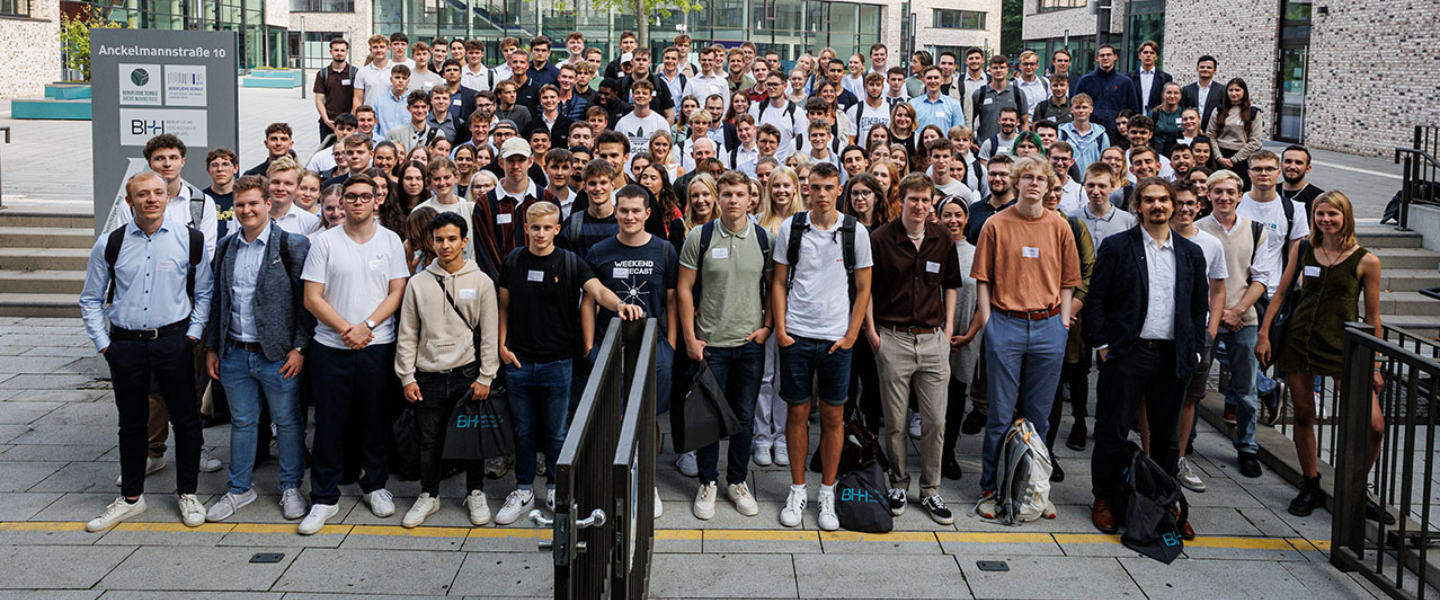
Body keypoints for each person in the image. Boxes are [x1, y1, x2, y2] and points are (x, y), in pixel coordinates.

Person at [80, 171, 213, 532]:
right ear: (130, 201)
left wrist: (193, 335)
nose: (151, 199)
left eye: (158, 192)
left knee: (186, 421)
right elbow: (91, 298)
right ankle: (131, 498)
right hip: (125, 345)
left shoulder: (191, 240)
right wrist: (104, 344)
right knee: (132, 423)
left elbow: (204, 293)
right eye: (143, 194)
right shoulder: (110, 243)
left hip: (175, 341)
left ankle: (187, 493)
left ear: (168, 197)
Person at [494, 201, 642, 524]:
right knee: (523, 430)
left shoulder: (571, 262)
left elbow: (597, 290)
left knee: (556, 431)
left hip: (558, 362)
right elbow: (503, 306)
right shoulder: (513, 261)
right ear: (527, 229)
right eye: (536, 228)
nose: (542, 233)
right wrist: (502, 346)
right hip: (518, 361)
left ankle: (555, 486)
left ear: (557, 230)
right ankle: (522, 489)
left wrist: (620, 305)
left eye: (548, 228)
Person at [1084, 177, 1208, 540]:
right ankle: (1104, 497)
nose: (1157, 206)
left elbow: (1199, 306)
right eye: (1149, 200)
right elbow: (1096, 299)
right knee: (1113, 429)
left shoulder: (1190, 253)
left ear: (1173, 206)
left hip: (1172, 356)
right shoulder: (1117, 246)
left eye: (1164, 200)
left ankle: (1166, 500)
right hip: (1127, 353)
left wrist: (1195, 347)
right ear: (1138, 206)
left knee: (1167, 437)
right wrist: (1104, 345)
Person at [1257, 191, 1386, 520]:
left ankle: (1354, 486)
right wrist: (1263, 333)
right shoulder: (1303, 249)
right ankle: (1310, 481)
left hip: (1345, 346)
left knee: (1374, 426)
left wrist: (1376, 363)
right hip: (1301, 341)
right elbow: (1282, 291)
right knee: (1303, 414)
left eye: (1333, 214)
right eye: (1320, 214)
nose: (1326, 220)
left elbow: (1373, 318)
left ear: (1346, 217)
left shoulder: (1366, 260)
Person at [296, 174, 410, 535]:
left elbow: (396, 292)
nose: (358, 202)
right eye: (351, 197)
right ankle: (324, 497)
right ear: (341, 202)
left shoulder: (390, 240)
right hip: (332, 348)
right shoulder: (324, 242)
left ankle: (375, 485)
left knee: (374, 419)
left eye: (365, 196)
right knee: (330, 423)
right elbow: (312, 297)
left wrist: (368, 327)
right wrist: (348, 329)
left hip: (376, 346)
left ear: (377, 201)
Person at [971, 156, 1080, 519]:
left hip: (1049, 325)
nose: (1034, 183)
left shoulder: (1059, 227)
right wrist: (989, 325)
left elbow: (1069, 280)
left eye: (1040, 178)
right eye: (1027, 177)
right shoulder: (995, 225)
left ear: (1049, 186)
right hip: (1006, 324)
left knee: (1041, 417)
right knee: (1000, 415)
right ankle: (991, 487)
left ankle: (1036, 489)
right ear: (1016, 182)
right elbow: (982, 279)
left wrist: (1063, 323)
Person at [201, 174, 312, 523]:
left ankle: (291, 486)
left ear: (268, 204)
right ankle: (239, 489)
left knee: (288, 422)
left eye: (253, 203)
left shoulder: (292, 246)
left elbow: (305, 302)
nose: (246, 210)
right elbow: (219, 300)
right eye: (240, 205)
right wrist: (213, 347)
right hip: (235, 351)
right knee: (243, 422)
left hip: (277, 354)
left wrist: (299, 348)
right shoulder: (225, 248)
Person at [772, 162, 873, 531]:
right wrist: (781, 329)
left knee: (834, 418)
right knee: (796, 414)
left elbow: (864, 288)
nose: (822, 194)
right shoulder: (792, 227)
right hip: (796, 334)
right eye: (815, 187)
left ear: (839, 188)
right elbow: (779, 282)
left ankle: (826, 492)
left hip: (836, 338)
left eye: (828, 187)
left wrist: (850, 336)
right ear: (807, 190)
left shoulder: (855, 231)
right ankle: (798, 489)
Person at [393, 211, 500, 527]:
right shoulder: (418, 283)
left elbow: (490, 333)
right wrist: (406, 375)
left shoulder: (480, 281)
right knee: (429, 440)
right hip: (426, 376)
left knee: (471, 438)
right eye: (439, 239)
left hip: (467, 375)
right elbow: (408, 332)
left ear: (464, 241)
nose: (445, 245)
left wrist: (486, 376)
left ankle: (475, 492)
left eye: (452, 238)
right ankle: (429, 494)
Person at [868, 174, 963, 524]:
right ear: (901, 200)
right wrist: (872, 333)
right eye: (913, 200)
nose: (920, 206)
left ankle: (930, 490)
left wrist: (949, 326)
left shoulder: (942, 238)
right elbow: (867, 289)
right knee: (894, 422)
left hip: (934, 338)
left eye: (926, 200)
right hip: (893, 337)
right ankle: (897, 483)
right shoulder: (881, 238)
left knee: (935, 421)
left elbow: (951, 284)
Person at [1166, 184, 1228, 495]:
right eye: (1178, 202)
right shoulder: (1158, 238)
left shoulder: (1210, 244)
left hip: (1197, 331)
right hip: (1161, 329)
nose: (1185, 208)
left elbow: (1218, 288)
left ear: (1199, 206)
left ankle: (1178, 458)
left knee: (1190, 396)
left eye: (1190, 203)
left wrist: (1211, 329)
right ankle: (1155, 455)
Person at [936, 196, 981, 480]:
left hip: (965, 334)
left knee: (955, 398)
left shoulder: (978, 252)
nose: (953, 220)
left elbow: (985, 301)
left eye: (958, 215)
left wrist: (970, 334)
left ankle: (948, 452)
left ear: (966, 219)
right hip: (932, 334)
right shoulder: (930, 247)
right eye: (946, 215)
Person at [1073, 44, 1139, 141]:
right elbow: (1076, 106)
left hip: (1118, 134)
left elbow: (1134, 109)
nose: (1105, 58)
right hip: (1091, 133)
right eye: (1102, 55)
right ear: (1096, 58)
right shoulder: (1085, 81)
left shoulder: (1125, 82)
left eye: (1109, 55)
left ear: (1115, 57)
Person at [1206, 78, 1264, 186]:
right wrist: (1219, 157)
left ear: (1244, 92)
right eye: (1230, 90)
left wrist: (1234, 160)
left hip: (1242, 158)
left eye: (1237, 90)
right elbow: (1211, 135)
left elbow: (1255, 141)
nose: (1234, 93)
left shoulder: (1253, 113)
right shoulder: (1218, 110)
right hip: (1219, 156)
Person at [971, 56, 1028, 143]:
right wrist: (971, 141)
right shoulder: (980, 93)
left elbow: (1024, 122)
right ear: (989, 71)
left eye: (1002, 67)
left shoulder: (1018, 93)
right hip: (984, 146)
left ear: (1007, 70)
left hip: (1011, 146)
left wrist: (1024, 142)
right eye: (995, 68)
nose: (998, 70)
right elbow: (969, 120)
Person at [315, 38, 357, 141]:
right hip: (328, 123)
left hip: (349, 124)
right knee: (326, 153)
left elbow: (358, 98)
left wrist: (350, 119)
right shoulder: (323, 74)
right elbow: (319, 100)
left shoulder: (355, 73)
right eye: (336, 50)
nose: (339, 53)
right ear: (330, 52)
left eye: (342, 50)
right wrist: (326, 120)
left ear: (347, 52)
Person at [1058, 94, 1110, 173]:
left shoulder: (1101, 135)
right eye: (1077, 107)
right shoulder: (1063, 133)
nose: (1081, 111)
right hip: (1069, 179)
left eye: (1085, 107)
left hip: (1094, 179)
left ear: (1091, 109)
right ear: (1071, 109)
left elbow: (1106, 161)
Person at [910, 65, 966, 133]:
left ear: (942, 81)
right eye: (929, 78)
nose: (933, 81)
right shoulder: (913, 104)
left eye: (936, 78)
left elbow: (959, 132)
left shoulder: (954, 105)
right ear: (924, 81)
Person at [1180, 55, 1224, 132]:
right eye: (1202, 67)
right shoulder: (1186, 90)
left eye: (1209, 67)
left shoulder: (1222, 90)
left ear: (1215, 70)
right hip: (1190, 131)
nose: (1205, 69)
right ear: (1197, 69)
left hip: (1213, 131)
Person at [1129, 40, 1173, 111]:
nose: (1148, 55)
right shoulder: (1130, 77)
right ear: (1140, 56)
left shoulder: (1165, 78)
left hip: (1157, 119)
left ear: (1156, 57)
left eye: (1152, 53)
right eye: (1145, 52)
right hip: (1135, 119)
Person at [1280, 145, 1324, 213]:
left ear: (1307, 169)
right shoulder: (1270, 191)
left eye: (1298, 163)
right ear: (1281, 165)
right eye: (1288, 161)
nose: (1292, 167)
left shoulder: (1319, 198)